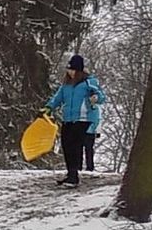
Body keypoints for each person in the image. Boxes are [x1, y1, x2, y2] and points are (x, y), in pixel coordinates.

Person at [41, 54, 106, 187]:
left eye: (72, 69)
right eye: (68, 69)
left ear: (79, 71)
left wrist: (95, 98)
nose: (69, 72)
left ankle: (73, 177)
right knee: (66, 146)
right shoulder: (66, 85)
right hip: (68, 119)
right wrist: (48, 108)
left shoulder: (89, 82)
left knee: (75, 146)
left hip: (84, 119)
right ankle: (71, 174)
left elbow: (100, 96)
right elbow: (57, 98)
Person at [83, 94, 102, 172]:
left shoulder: (97, 108)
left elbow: (99, 119)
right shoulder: (84, 106)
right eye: (92, 97)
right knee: (79, 148)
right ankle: (78, 166)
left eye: (95, 98)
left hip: (91, 132)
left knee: (89, 149)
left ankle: (90, 167)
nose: (94, 99)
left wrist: (98, 131)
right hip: (82, 130)